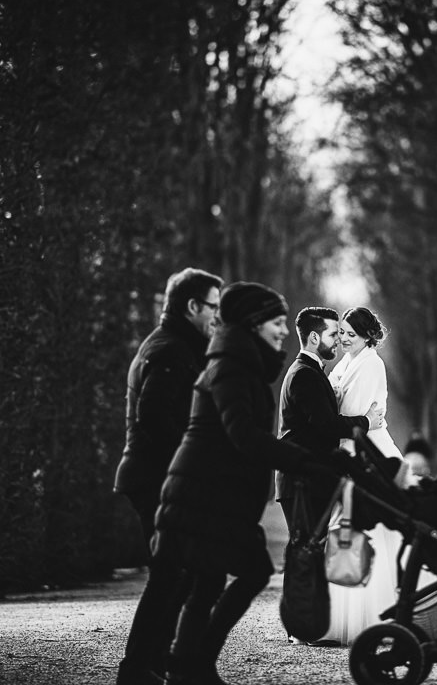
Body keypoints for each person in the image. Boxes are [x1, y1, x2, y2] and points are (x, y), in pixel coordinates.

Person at [119, 282, 327, 685]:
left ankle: (185, 665)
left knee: (208, 578)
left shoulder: (237, 361)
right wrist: (303, 461)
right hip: (199, 492)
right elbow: (242, 434)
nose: (284, 330)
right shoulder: (229, 364)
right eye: (277, 322)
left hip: (205, 492)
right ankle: (182, 664)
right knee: (245, 571)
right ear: (253, 324)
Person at [318, 307, 437, 646]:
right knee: (359, 528)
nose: (344, 338)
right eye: (342, 332)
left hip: (370, 453)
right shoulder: (346, 363)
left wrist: (330, 409)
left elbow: (352, 414)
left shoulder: (371, 363)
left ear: (366, 335)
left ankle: (390, 610)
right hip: (357, 445)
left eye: (350, 332)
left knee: (381, 528)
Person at [114, 267, 223, 544]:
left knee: (176, 573)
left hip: (155, 473)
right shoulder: (172, 350)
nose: (218, 316)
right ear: (192, 306)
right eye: (214, 307)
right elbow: (152, 415)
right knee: (177, 573)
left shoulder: (170, 343)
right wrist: (190, 462)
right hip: (157, 476)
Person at [276, 307, 381, 561]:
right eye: (334, 334)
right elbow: (327, 425)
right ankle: (297, 601)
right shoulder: (305, 375)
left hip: (305, 480)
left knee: (307, 549)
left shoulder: (309, 371)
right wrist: (366, 421)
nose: (339, 340)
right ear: (314, 338)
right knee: (305, 550)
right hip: (302, 481)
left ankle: (300, 601)